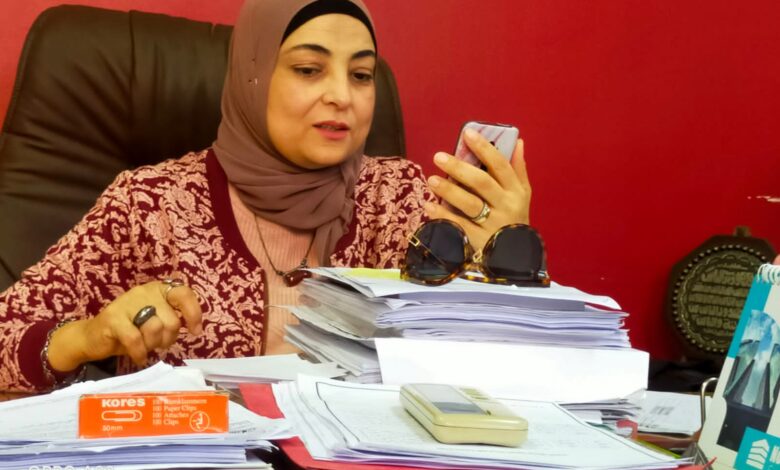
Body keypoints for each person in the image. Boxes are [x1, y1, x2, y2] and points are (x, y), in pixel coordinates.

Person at [0, 0, 531, 392]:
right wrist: (88, 337)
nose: (341, 96)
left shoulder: (401, 198)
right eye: (308, 69)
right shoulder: (149, 205)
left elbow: (485, 370)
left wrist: (508, 269)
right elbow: (7, 332)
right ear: (252, 75)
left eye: (361, 74)